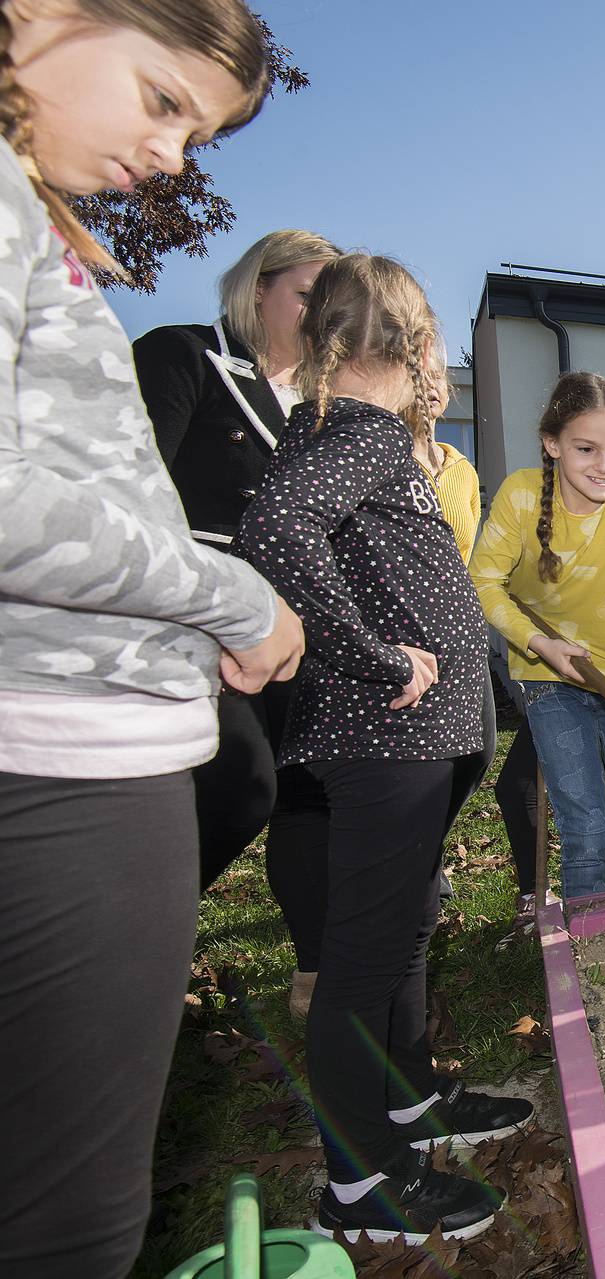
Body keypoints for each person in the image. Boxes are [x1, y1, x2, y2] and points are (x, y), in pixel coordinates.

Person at [0, 8, 303, 1271]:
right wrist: (227, 598)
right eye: (165, 99)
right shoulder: (184, 352)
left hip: (109, 709)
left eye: (200, 130)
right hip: (66, 731)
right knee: (70, 1215)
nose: (177, 156)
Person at [238, 253, 527, 1244]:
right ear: (412, 342)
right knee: (363, 957)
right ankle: (363, 1188)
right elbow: (275, 529)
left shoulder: (349, 434)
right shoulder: (353, 428)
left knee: (403, 930)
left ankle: (404, 1110)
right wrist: (365, 653)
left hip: (422, 738)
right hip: (387, 735)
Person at [133, 227, 340, 893]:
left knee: (307, 792)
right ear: (259, 288)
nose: (322, 317)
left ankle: (318, 974)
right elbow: (132, 498)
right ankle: (120, 937)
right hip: (185, 624)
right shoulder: (181, 355)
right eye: (307, 295)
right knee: (240, 786)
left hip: (289, 639)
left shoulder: (323, 413)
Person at [469, 371, 605, 898]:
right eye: (586, 448)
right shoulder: (519, 495)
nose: (604, 466)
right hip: (549, 674)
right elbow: (483, 581)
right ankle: (589, 955)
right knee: (585, 830)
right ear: (552, 443)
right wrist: (540, 645)